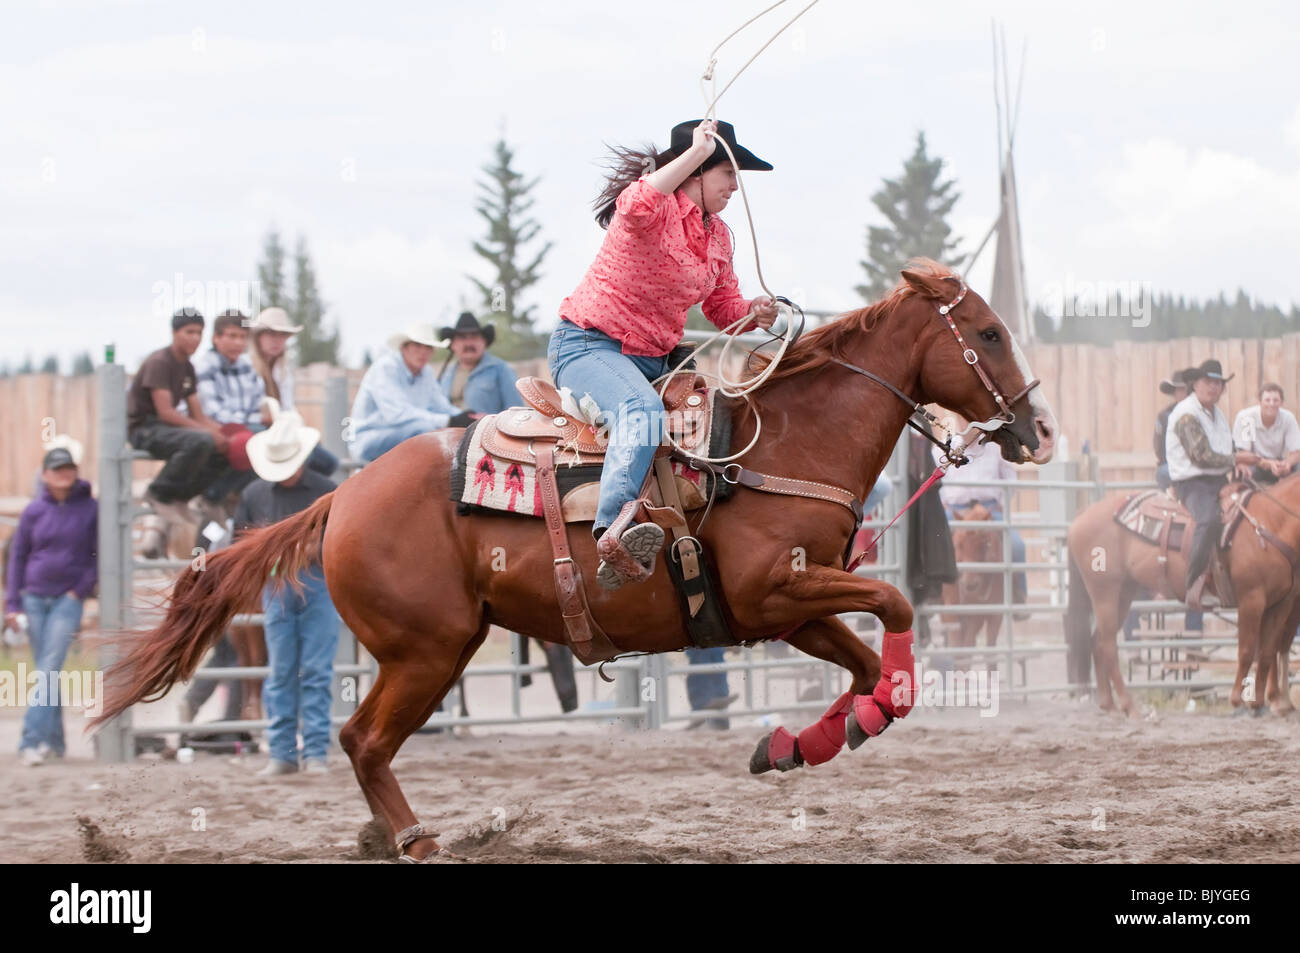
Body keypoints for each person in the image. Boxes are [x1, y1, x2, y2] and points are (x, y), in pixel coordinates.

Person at [549, 118, 778, 590]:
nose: (735, 187)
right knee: (640, 410)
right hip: (590, 345)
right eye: (728, 174)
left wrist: (753, 312)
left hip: (654, 359)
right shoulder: (650, 210)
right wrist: (693, 152)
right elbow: (632, 203)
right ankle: (614, 530)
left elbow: (721, 308)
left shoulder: (717, 237)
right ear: (696, 171)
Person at [233, 409, 340, 776]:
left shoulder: (327, 493)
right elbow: (240, 543)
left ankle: (311, 752)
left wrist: (315, 549)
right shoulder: (255, 494)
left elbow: (343, 541)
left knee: (314, 670)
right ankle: (285, 752)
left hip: (315, 582)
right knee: (282, 671)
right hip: (278, 585)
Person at [5, 447, 97, 766]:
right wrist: (13, 603)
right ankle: (55, 742)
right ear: (45, 474)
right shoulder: (33, 511)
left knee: (48, 668)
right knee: (49, 671)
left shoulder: (90, 509)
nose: (64, 474)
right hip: (33, 597)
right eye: (57, 469)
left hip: (66, 599)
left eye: (69, 468)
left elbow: (97, 553)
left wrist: (79, 590)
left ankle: (30, 740)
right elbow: (17, 557)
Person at [127, 308, 231, 527]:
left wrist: (224, 434)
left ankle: (181, 497)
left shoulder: (187, 367)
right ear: (174, 333)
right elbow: (165, 412)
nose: (195, 338)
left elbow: (197, 414)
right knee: (202, 440)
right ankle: (158, 493)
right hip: (145, 429)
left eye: (199, 333)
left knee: (225, 448)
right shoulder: (160, 362)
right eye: (189, 332)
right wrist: (207, 432)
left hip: (167, 429)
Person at [1165, 359, 1254, 608]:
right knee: (1208, 519)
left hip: (1216, 478)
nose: (1214, 388)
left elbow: (1224, 447)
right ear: (1195, 384)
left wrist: (1238, 462)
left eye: (1218, 383)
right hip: (1192, 482)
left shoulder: (1217, 414)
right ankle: (1193, 582)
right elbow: (1200, 456)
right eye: (1208, 382)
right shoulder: (1186, 414)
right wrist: (1236, 458)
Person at [347, 323, 476, 462]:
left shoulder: (425, 372)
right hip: (367, 439)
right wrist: (450, 420)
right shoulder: (385, 368)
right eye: (417, 345)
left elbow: (440, 405)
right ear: (404, 348)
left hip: (404, 434)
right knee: (426, 431)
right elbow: (397, 414)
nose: (423, 352)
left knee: (434, 431)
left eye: (428, 347)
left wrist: (468, 418)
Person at [193, 308, 272, 517]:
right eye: (232, 336)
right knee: (258, 443)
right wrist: (257, 421)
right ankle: (212, 495)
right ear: (216, 338)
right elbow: (214, 412)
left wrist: (258, 420)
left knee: (280, 446)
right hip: (215, 427)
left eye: (243, 337)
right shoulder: (204, 366)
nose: (238, 342)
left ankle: (239, 496)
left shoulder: (247, 365)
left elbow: (258, 400)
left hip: (246, 426)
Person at [247, 306, 339, 476]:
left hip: (282, 430)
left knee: (329, 462)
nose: (277, 341)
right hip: (263, 430)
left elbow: (288, 408)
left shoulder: (284, 372)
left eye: (282, 336)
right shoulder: (247, 368)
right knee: (309, 458)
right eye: (271, 335)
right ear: (259, 337)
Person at [933, 436, 1027, 603]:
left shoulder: (996, 447)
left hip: (988, 510)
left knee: (1016, 545)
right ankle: (934, 592)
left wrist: (999, 503)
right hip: (956, 510)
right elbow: (935, 480)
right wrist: (944, 503)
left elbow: (1011, 479)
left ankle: (1018, 594)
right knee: (934, 540)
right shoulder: (944, 447)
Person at [436, 312, 519, 414]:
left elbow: (516, 412)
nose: (469, 343)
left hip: (485, 429)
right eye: (462, 337)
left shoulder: (501, 370)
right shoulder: (446, 374)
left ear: (484, 342)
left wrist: (491, 421)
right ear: (452, 344)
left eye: (474, 337)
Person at [1233, 383, 1300, 485]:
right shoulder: (1247, 418)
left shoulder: (1288, 418)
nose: (1271, 404)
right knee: (1243, 468)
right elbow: (1243, 453)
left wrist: (1287, 464)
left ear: (1281, 403)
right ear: (1260, 402)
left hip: (1279, 462)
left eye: (1276, 400)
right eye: (1267, 400)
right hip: (1255, 462)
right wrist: (1268, 464)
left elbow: (1297, 451)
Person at [1153, 367, 1195, 489]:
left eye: (1187, 390)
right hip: (1172, 465)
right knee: (1165, 473)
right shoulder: (1165, 416)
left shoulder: (1200, 415)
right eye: (1180, 390)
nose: (1184, 394)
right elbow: (1160, 448)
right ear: (1174, 392)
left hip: (1197, 467)